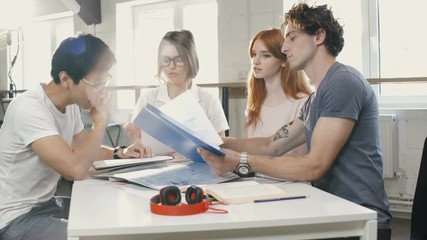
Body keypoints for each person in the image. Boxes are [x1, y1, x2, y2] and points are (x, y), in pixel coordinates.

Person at [199, 3, 391, 240]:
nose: (284, 46)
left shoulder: (343, 82)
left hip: (359, 218)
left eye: (292, 37)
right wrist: (223, 142)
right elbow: (273, 144)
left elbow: (314, 166)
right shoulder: (317, 97)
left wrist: (241, 161)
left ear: (319, 36)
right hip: (333, 212)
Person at [0, 33, 150, 240]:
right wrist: (100, 123)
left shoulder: (69, 106)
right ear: (66, 79)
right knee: (91, 236)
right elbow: (76, 169)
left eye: (104, 82)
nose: (101, 91)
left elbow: (84, 149)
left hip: (45, 205)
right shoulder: (29, 108)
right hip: (13, 219)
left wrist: (121, 152)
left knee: (114, 210)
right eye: (96, 83)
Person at [125, 29, 229, 155]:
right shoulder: (147, 100)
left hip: (199, 170)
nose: (171, 66)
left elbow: (221, 147)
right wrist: (137, 144)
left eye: (178, 59)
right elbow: (139, 146)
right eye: (166, 60)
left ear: (191, 59)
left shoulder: (209, 100)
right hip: (158, 169)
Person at [244, 28, 311, 156]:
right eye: (253, 54)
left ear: (284, 61)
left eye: (266, 55)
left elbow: (300, 159)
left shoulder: (303, 103)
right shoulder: (255, 103)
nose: (255, 61)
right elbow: (247, 153)